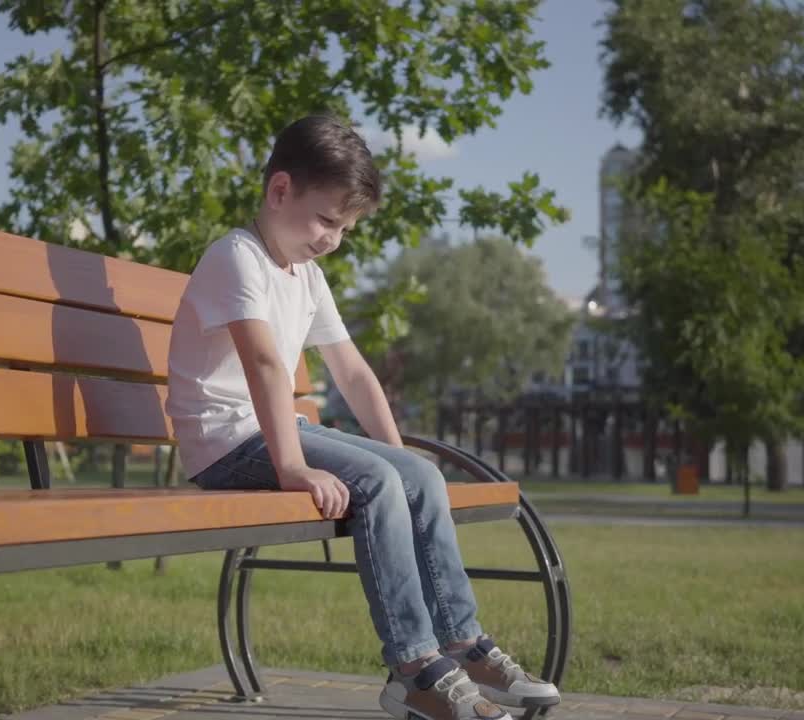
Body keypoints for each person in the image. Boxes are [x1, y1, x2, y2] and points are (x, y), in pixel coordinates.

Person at [165, 114, 561, 720]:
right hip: (226, 445)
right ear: (279, 191)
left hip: (269, 434)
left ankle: (460, 642)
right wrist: (292, 467)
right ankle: (414, 670)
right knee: (375, 485)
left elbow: (353, 372)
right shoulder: (236, 257)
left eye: (344, 228)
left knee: (417, 475)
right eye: (326, 220)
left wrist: (401, 455)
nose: (332, 239)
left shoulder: (308, 276)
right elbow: (267, 366)